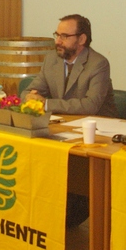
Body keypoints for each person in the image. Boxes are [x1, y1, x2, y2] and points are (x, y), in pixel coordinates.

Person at [21, 14, 117, 229]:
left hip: (98, 132)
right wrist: (30, 98)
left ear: (81, 39)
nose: (58, 41)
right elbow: (29, 90)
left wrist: (45, 104)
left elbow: (90, 105)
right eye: (57, 34)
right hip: (63, 127)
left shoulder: (98, 64)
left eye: (64, 36)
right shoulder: (51, 60)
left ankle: (70, 212)